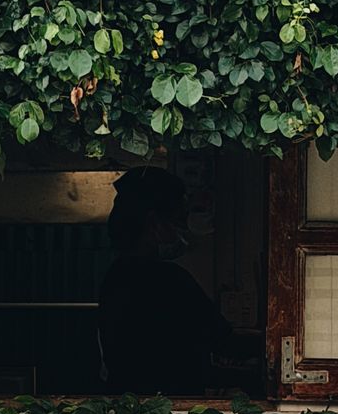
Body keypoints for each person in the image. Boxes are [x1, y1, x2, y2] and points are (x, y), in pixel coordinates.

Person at [97, 166, 246, 395]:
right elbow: (223, 344)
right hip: (171, 409)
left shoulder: (115, 277)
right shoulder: (169, 281)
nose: (183, 229)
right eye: (178, 219)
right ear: (155, 223)